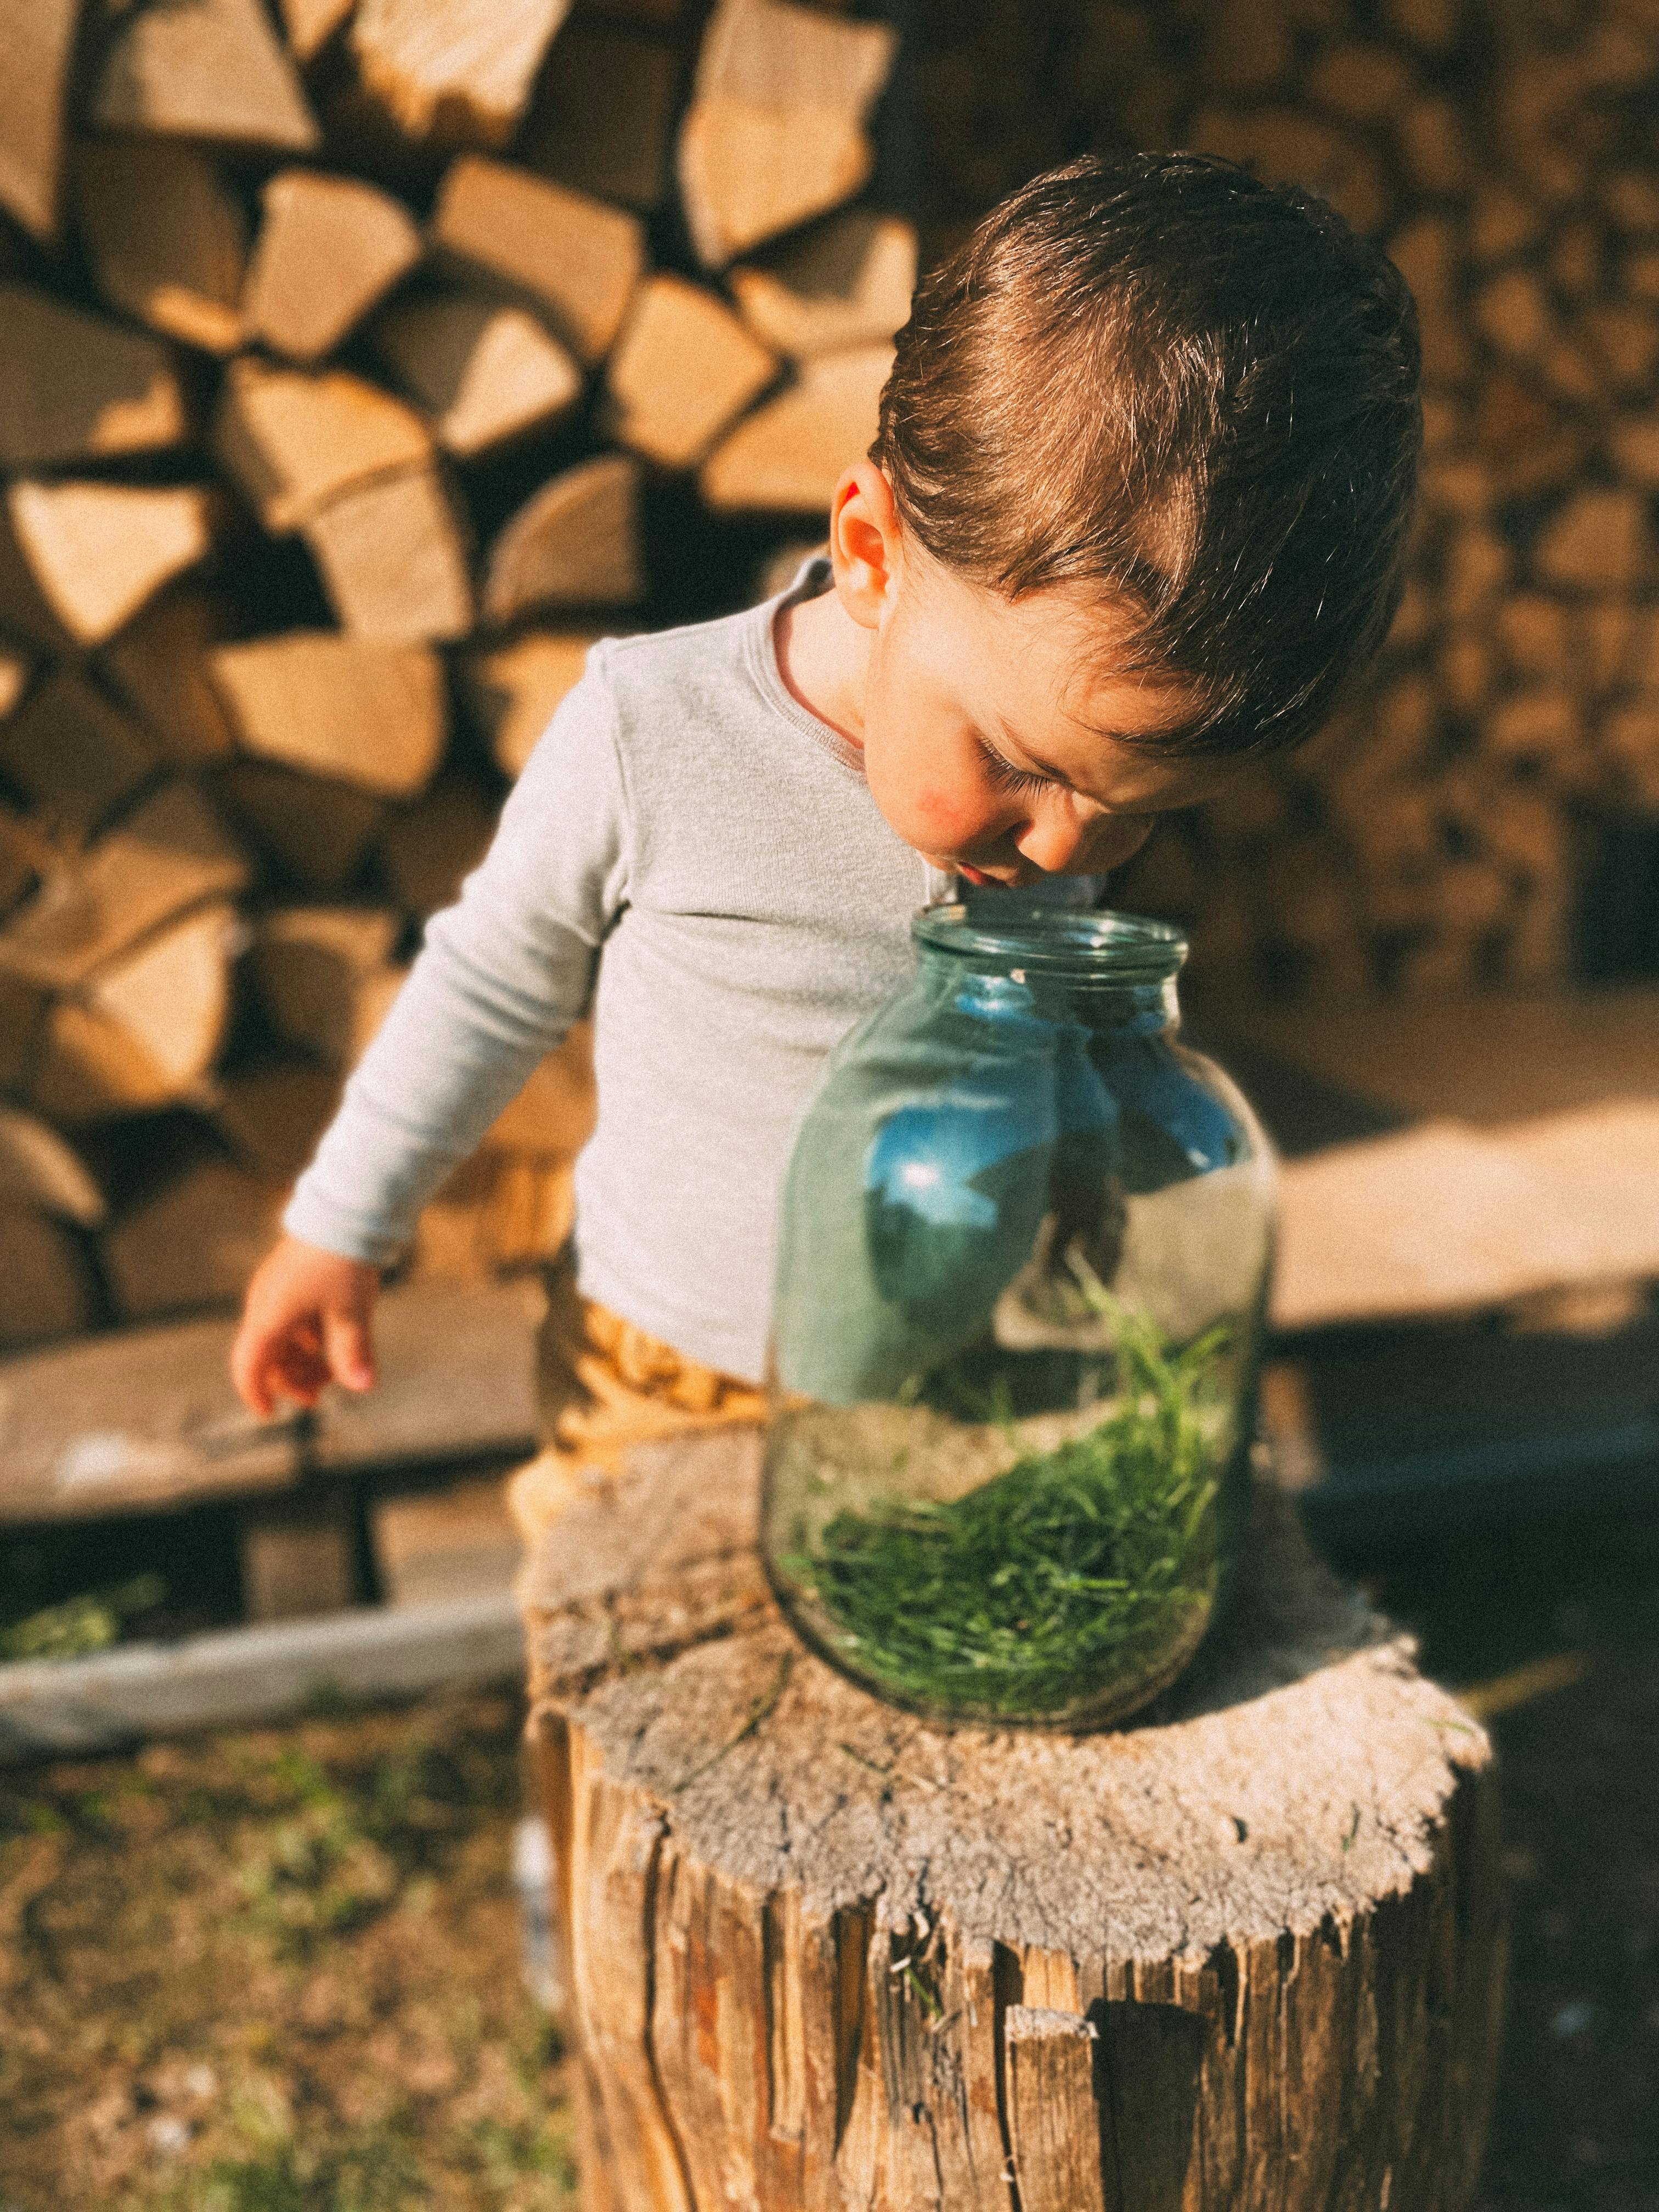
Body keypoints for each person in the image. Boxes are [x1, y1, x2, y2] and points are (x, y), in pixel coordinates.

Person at [230, 150, 1421, 1540]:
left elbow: (1061, 1062)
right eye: (1026, 768)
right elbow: (492, 982)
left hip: (943, 1374)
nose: (1067, 849)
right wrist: (341, 1228)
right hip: (668, 1381)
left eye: (1144, 810)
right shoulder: (655, 731)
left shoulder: (1056, 778)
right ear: (871, 548)